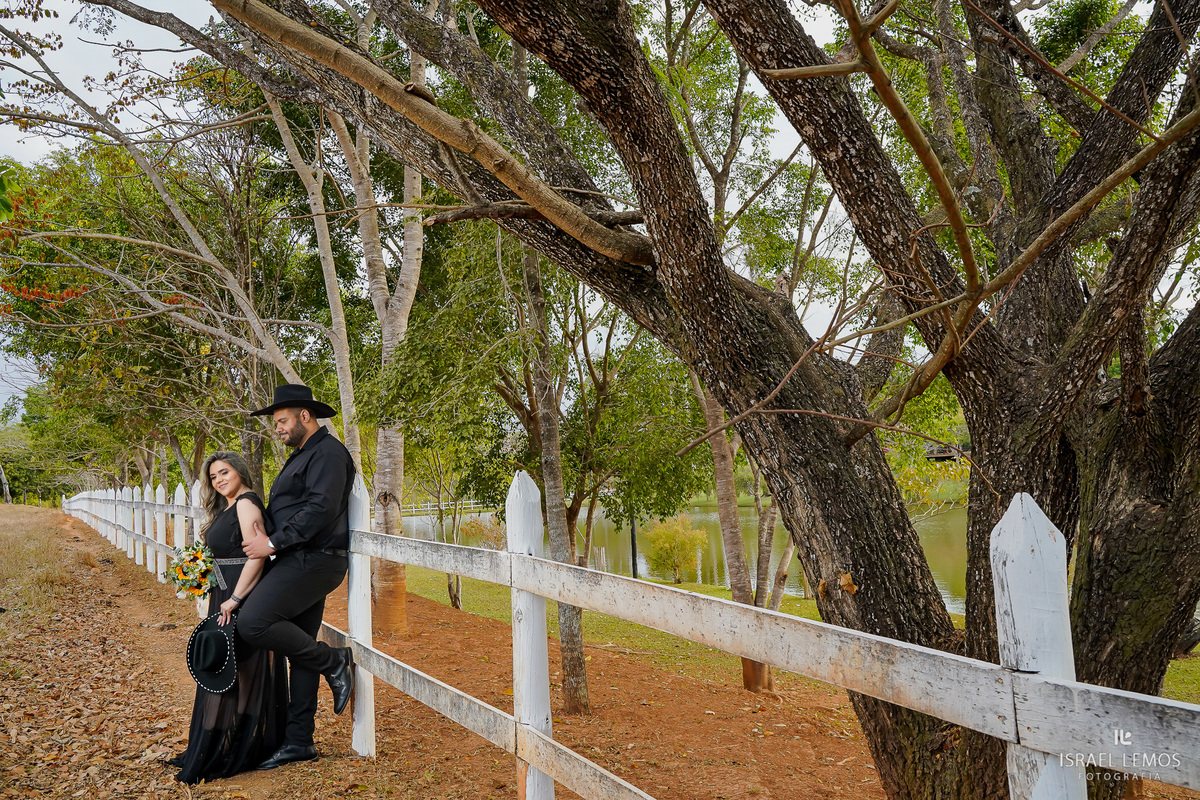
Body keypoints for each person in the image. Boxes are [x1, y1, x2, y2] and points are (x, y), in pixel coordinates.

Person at [238, 383, 355, 770]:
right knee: (299, 647)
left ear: (306, 416)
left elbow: (321, 508)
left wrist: (272, 542)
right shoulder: (303, 454)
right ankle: (300, 741)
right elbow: (292, 507)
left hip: (315, 559)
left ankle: (333, 660)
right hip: (299, 558)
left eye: (283, 420)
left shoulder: (329, 454)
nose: (279, 428)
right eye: (276, 423)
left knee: (253, 622)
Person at [171, 451, 288, 785]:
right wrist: (203, 573)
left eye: (224, 472)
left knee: (237, 666)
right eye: (213, 477)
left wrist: (236, 598)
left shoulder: (247, 503)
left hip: (241, 597)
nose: (219, 480)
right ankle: (222, 742)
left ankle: (237, 745)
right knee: (226, 666)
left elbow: (258, 556)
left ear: (239, 471)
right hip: (223, 595)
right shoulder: (228, 506)